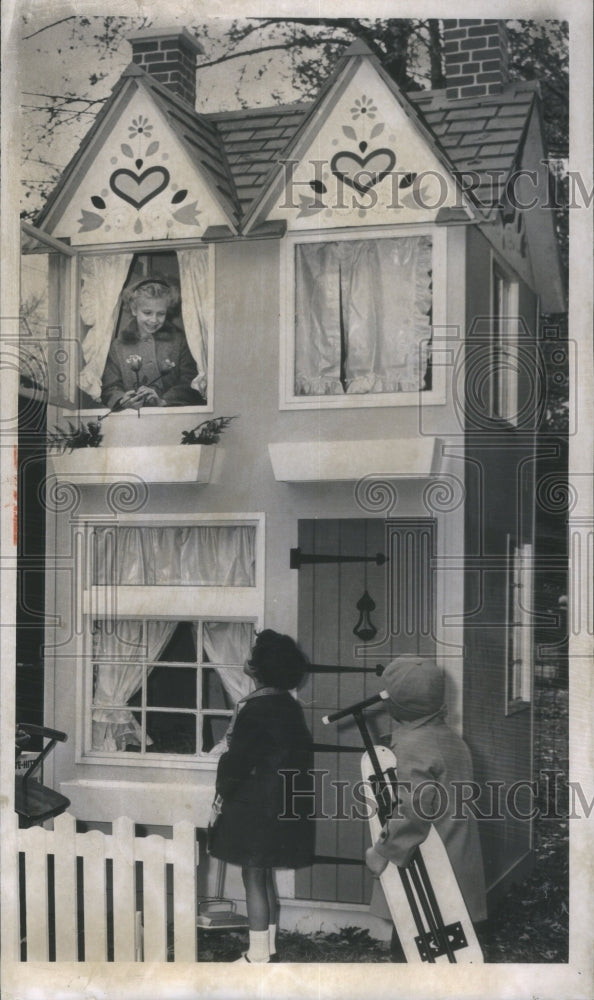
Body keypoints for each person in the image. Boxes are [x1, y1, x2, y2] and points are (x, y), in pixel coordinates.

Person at [207, 630, 314, 963]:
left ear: (256, 668)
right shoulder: (287, 705)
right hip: (279, 805)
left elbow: (238, 762)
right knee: (263, 874)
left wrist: (222, 789)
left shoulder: (255, 708)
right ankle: (266, 951)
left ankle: (257, 958)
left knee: (252, 875)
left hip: (257, 808)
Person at [365, 656, 487, 939]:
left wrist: (382, 851)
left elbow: (412, 811)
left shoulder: (412, 746)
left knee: (413, 945)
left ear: (393, 705)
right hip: (457, 855)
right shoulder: (449, 738)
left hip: (429, 864)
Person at [101, 276, 205, 409]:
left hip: (172, 416)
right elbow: (110, 387)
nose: (154, 320)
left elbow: (191, 380)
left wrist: (163, 401)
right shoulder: (117, 346)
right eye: (147, 312)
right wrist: (123, 400)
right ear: (134, 309)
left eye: (161, 313)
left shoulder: (180, 341)